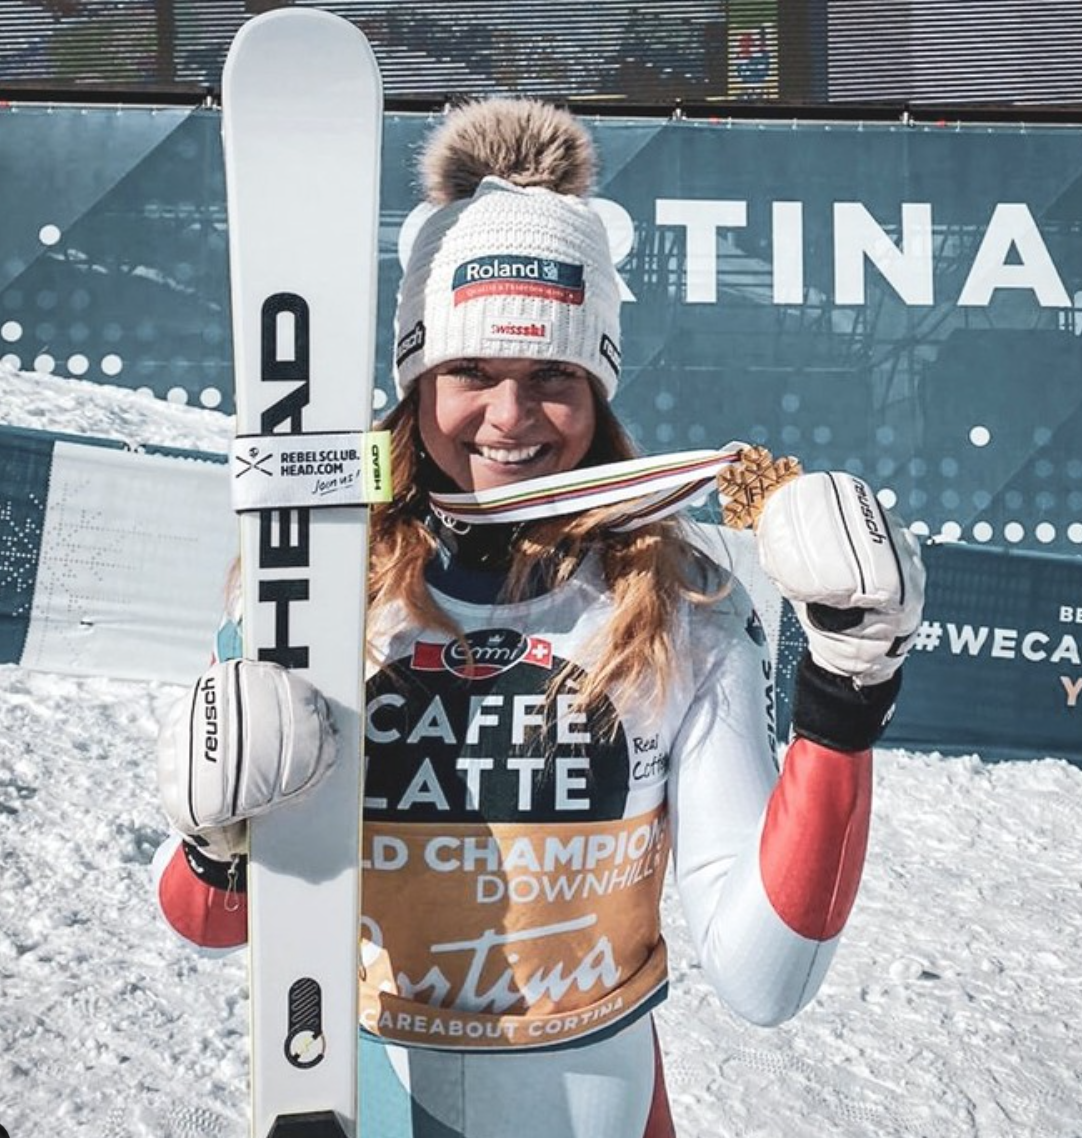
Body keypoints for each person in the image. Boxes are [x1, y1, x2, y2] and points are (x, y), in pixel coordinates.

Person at [153, 99, 925, 1138]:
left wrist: (846, 695)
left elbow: (764, 976)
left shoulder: (680, 605)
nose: (509, 418)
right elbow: (208, 923)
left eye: (553, 376)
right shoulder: (314, 583)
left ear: (598, 391)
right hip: (366, 1093)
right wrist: (214, 844)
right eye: (470, 371)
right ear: (416, 380)